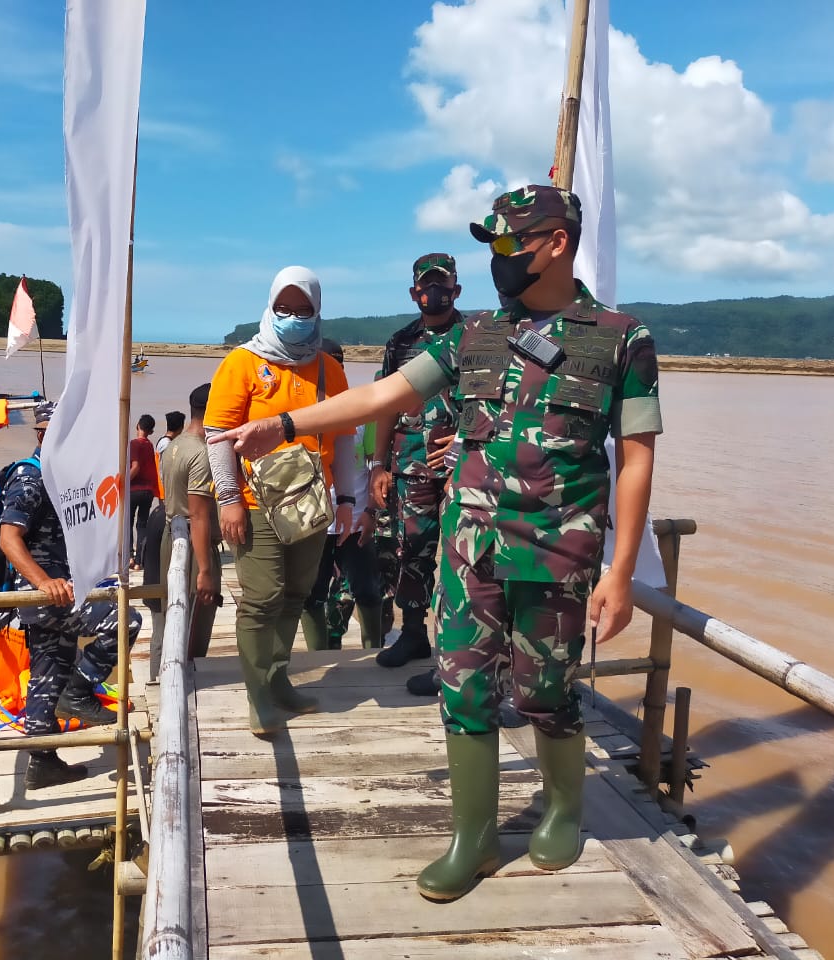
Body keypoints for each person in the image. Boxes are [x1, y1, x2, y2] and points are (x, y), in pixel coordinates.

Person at [210, 185, 662, 900]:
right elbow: (383, 397)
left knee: (546, 693)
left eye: (510, 243)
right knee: (465, 689)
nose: (498, 259)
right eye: (491, 245)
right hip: (470, 550)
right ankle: (473, 837)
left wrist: (624, 569)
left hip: (559, 553)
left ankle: (565, 812)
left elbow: (636, 458)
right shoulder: (473, 335)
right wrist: (287, 427)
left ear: (556, 243)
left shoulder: (620, 337)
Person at [204, 266, 357, 737]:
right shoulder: (243, 362)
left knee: (296, 594)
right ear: (270, 307)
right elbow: (217, 435)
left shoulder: (330, 370)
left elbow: (346, 438)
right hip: (255, 501)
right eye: (284, 308)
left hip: (311, 502)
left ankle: (278, 679)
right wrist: (228, 498)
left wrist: (348, 498)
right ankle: (257, 697)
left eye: (303, 309)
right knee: (263, 597)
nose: (293, 317)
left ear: (317, 312)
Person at [0, 401, 143, 790]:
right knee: (127, 621)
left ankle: (42, 763)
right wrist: (44, 582)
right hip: (44, 595)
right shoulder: (31, 477)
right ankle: (79, 691)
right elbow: (9, 540)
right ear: (44, 435)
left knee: (48, 674)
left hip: (61, 592)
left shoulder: (61, 474)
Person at [369, 253, 465, 686]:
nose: (434, 291)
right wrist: (378, 464)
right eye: (426, 284)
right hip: (411, 468)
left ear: (456, 290)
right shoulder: (400, 343)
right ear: (414, 292)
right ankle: (412, 635)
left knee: (465, 560)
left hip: (465, 469)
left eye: (442, 284)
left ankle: (459, 651)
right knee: (413, 552)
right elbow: (384, 405)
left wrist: (467, 435)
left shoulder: (476, 339)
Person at [300, 339, 384, 651]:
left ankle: (372, 651)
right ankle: (317, 656)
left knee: (367, 590)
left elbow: (377, 467)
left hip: (356, 519)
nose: (326, 370)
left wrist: (371, 513)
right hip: (315, 522)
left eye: (334, 363)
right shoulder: (302, 412)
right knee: (311, 594)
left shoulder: (362, 412)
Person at [150, 383, 222, 676]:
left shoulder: (174, 445)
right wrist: (205, 570)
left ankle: (166, 678)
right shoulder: (202, 453)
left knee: (173, 621)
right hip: (195, 544)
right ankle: (184, 687)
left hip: (173, 534)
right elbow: (199, 514)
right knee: (193, 628)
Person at [128, 414, 160, 570]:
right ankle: (139, 561)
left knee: (127, 523)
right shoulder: (149, 445)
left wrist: (122, 482)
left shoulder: (134, 443)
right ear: (151, 430)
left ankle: (129, 557)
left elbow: (135, 467)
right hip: (148, 491)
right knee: (142, 525)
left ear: (137, 426)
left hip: (133, 490)